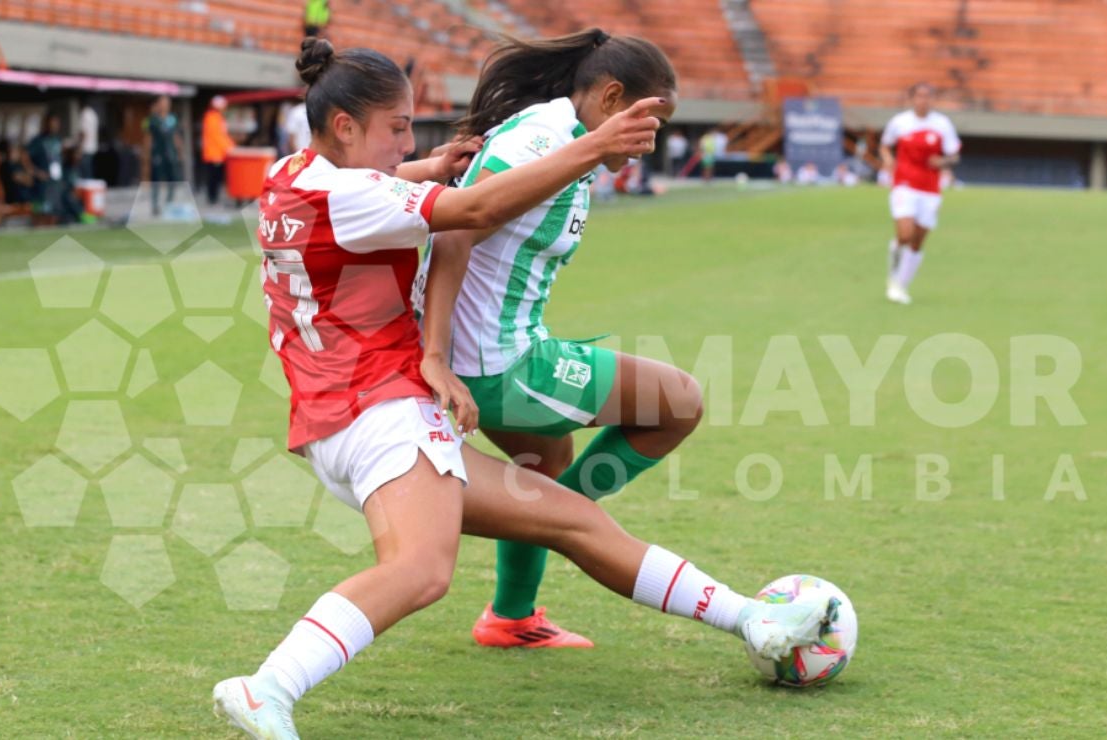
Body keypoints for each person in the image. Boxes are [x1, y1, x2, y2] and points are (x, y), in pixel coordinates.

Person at [211, 38, 831, 739]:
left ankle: (753, 618)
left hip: (340, 418)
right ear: (347, 126)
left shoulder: (290, 175)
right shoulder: (357, 193)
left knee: (571, 517)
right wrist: (595, 146)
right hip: (383, 411)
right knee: (420, 570)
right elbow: (470, 217)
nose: (411, 141)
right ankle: (268, 687)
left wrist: (423, 167)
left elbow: (363, 196)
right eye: (399, 128)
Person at [418, 29, 706, 649]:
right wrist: (435, 357)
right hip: (497, 366)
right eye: (653, 118)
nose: (653, 139)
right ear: (610, 97)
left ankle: (511, 618)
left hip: (496, 353)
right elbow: (455, 227)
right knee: (680, 401)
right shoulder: (542, 139)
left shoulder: (567, 138)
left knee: (542, 464)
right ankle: (560, 523)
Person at [879, 82, 961, 305]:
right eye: (919, 96)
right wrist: (888, 160)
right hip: (904, 184)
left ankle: (901, 285)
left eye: (928, 96)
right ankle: (893, 275)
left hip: (930, 189)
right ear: (912, 98)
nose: (923, 100)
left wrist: (942, 161)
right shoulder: (900, 122)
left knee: (917, 241)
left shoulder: (942, 124)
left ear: (933, 99)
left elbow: (954, 155)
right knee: (905, 234)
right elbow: (885, 145)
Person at [142, 95, 184, 216]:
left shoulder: (173, 119)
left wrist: (180, 152)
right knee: (156, 181)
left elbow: (177, 137)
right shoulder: (153, 120)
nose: (165, 105)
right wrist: (146, 156)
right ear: (158, 104)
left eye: (167, 102)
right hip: (157, 155)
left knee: (173, 181)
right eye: (163, 102)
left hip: (171, 155)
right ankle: (155, 206)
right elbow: (148, 138)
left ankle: (169, 204)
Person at [27, 114, 65, 224]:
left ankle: (51, 237)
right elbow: (25, 156)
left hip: (56, 181)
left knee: (55, 212)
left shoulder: (58, 139)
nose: (54, 126)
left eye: (57, 123)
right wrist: (36, 172)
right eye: (52, 123)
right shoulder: (38, 141)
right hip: (43, 183)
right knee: (41, 211)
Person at [201, 95, 235, 206]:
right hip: (214, 154)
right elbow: (217, 136)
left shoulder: (218, 117)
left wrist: (231, 145)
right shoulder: (211, 117)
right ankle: (212, 199)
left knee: (217, 178)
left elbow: (223, 135)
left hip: (219, 153)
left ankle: (214, 198)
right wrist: (229, 147)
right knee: (213, 178)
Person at [79, 102, 99, 179]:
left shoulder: (85, 114)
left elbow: (84, 133)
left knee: (85, 171)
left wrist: (80, 148)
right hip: (92, 147)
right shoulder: (93, 114)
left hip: (85, 147)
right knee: (89, 169)